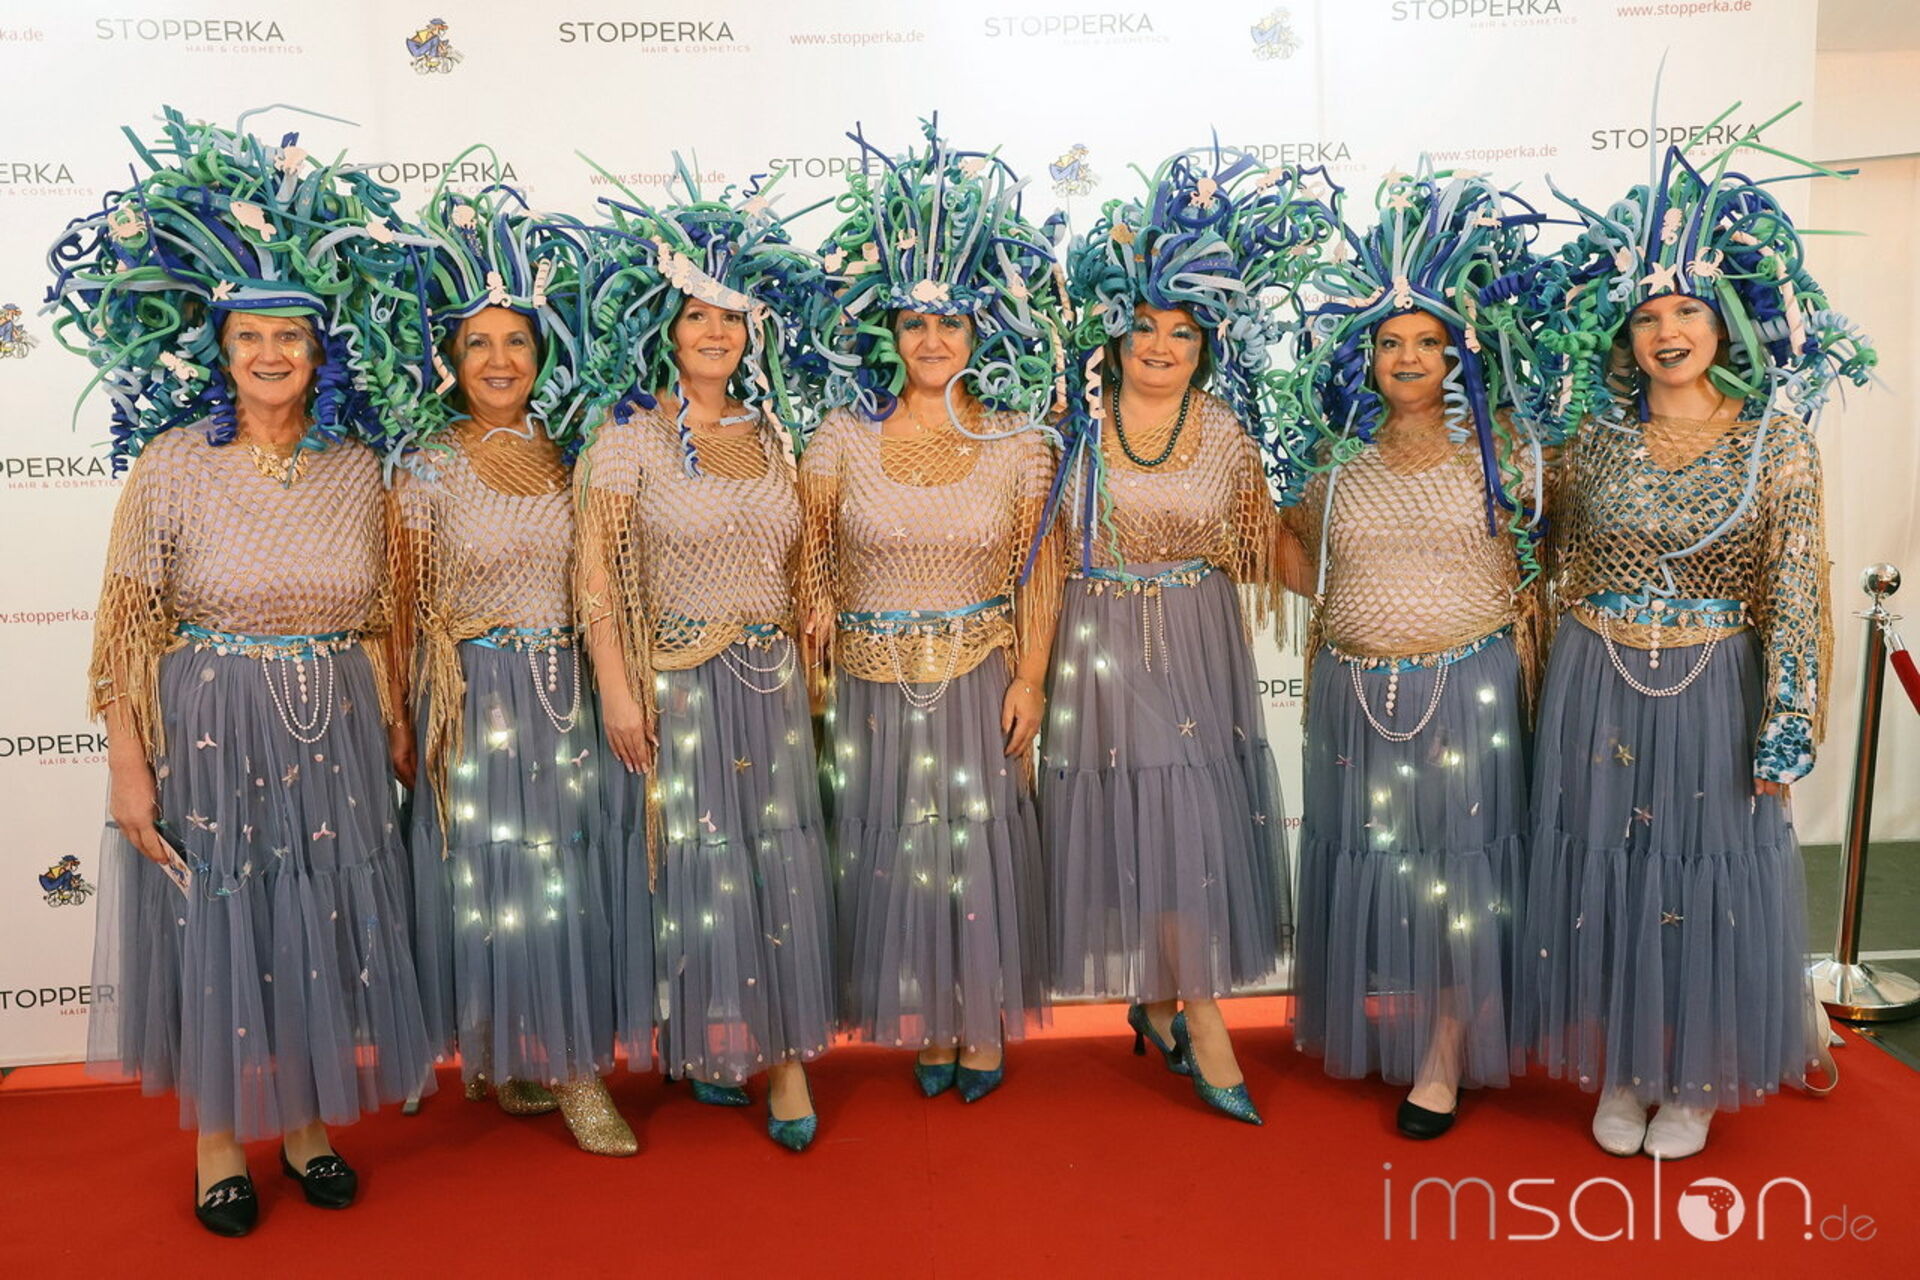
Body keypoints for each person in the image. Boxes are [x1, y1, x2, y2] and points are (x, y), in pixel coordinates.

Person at [51, 109, 435, 1236]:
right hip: (212, 722)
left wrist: (394, 721)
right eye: (250, 337)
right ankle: (221, 1141)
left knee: (316, 922)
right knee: (221, 925)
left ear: (321, 352)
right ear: (222, 351)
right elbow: (126, 627)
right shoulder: (172, 464)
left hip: (335, 725)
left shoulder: (361, 467)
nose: (271, 355)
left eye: (291, 337)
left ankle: (307, 1126)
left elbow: (383, 615)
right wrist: (128, 767)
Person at [1515, 129, 1875, 1159]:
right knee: (1611, 876)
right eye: (1646, 316)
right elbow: (1542, 555)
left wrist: (1789, 720)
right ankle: (1627, 1063)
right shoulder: (1589, 438)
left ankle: (1699, 1071)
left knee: (1702, 876)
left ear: (1726, 322)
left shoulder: (1777, 444)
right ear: (1623, 333)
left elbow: (1795, 586)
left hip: (1715, 687)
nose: (1666, 332)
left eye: (1686, 311)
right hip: (1596, 681)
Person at [1042, 147, 1334, 1124]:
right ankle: (1202, 1017)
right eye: (1144, 325)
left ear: (1208, 344)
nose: (1161, 345)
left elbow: (1267, 548)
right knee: (1155, 811)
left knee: (1192, 817)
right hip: (1101, 638)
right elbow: (1037, 548)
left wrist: (1361, 547)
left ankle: (1162, 998)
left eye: (1183, 330)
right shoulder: (1070, 423)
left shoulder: (1227, 433)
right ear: (1115, 331)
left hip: (1199, 640)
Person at [800, 122, 1068, 1103]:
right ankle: (929, 1015)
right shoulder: (839, 437)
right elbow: (807, 551)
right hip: (874, 683)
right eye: (914, 323)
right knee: (901, 844)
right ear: (891, 334)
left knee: (977, 845)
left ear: (979, 335)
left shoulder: (1019, 442)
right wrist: (817, 633)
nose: (932, 340)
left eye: (951, 324)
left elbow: (1041, 572)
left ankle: (980, 1019)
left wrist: (1031, 676)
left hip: (977, 672)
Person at [1283, 165, 1551, 1138]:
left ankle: (1446, 1051)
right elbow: (1291, 553)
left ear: (1459, 351)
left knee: (1459, 875)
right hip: (1355, 694)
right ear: (1366, 354)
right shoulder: (1332, 458)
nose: (1407, 357)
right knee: (1386, 869)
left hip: (1467, 690)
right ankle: (1411, 1027)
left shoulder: (1507, 447)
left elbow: (1557, 552)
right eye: (1390, 341)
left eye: (1426, 341)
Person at [574, 162, 837, 1150]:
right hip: (677, 686)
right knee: (695, 868)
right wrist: (616, 689)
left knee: (777, 862)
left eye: (731, 317)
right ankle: (712, 1042)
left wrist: (816, 606)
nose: (715, 333)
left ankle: (787, 1059)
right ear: (668, 329)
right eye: (697, 317)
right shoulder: (628, 434)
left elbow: (802, 550)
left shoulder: (775, 434)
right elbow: (596, 574)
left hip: (769, 684)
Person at [395, 179, 634, 1153]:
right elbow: (405, 602)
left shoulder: (577, 451)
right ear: (452, 359)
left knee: (563, 876)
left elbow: (602, 579)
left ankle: (566, 1060)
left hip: (563, 695)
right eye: (479, 343)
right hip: (471, 697)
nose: (499, 360)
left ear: (543, 354)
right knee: (487, 875)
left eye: (517, 342)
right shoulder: (424, 461)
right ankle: (513, 1053)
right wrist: (405, 714)